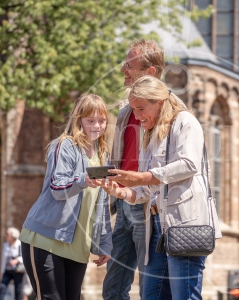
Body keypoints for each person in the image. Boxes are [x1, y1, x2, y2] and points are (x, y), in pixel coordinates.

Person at [97, 76, 222, 299]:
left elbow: (189, 164)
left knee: (184, 296)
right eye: (134, 110)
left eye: (141, 109)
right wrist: (119, 191)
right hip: (157, 227)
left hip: (184, 225)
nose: (136, 116)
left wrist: (143, 176)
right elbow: (147, 190)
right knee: (151, 295)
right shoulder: (150, 134)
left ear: (160, 102)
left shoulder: (185, 121)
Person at [19, 94, 112, 300]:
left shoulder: (103, 154)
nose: (97, 126)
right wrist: (83, 180)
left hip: (77, 248)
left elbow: (101, 203)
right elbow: (57, 187)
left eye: (102, 120)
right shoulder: (65, 146)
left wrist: (105, 243)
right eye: (90, 120)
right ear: (79, 120)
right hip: (45, 239)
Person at [103, 39, 166, 300]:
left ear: (149, 72)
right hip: (124, 203)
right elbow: (120, 157)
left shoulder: (165, 111)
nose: (122, 70)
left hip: (148, 206)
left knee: (150, 289)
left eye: (129, 65)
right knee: (113, 288)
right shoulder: (125, 111)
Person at [0, 227, 24, 300]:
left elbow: (24, 257)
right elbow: (3, 260)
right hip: (8, 270)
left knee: (18, 290)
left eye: (7, 234)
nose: (5, 235)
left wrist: (16, 260)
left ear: (13, 236)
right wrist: (2, 272)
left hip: (18, 271)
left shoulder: (20, 244)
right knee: (2, 286)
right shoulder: (5, 245)